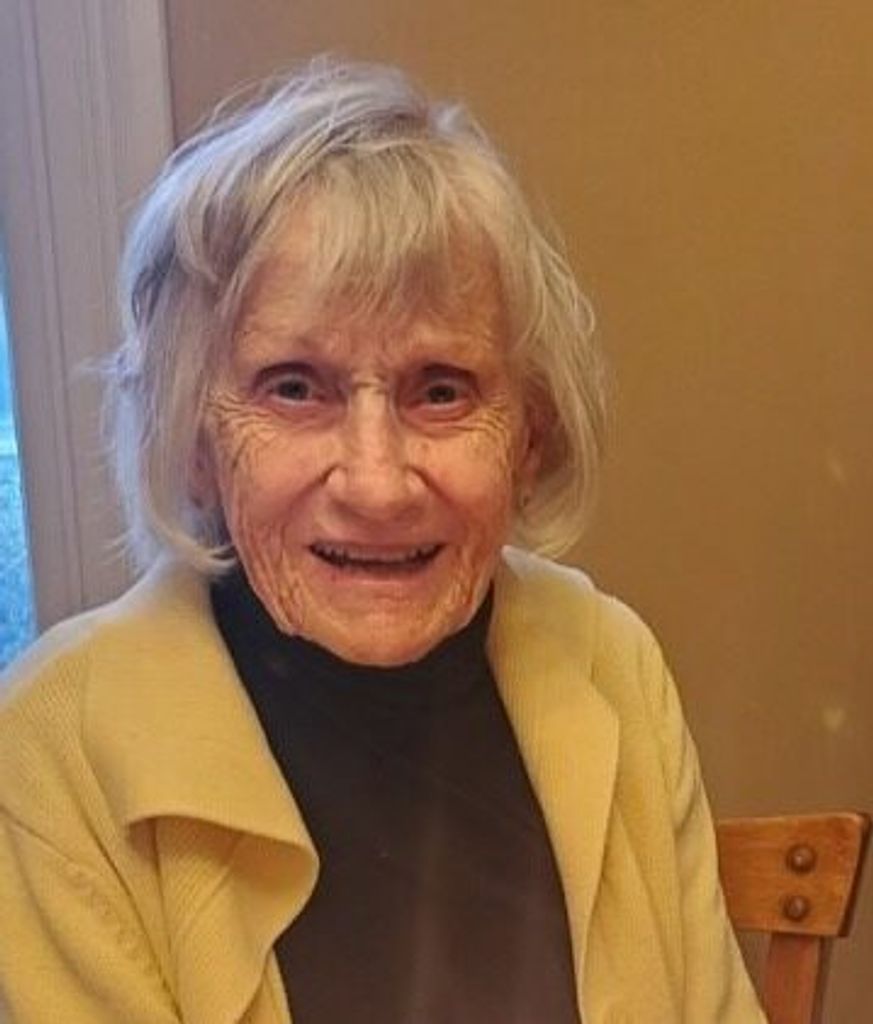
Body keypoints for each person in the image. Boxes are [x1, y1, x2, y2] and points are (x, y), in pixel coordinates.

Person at [0, 59, 765, 1023]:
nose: (376, 484)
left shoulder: (610, 661)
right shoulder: (55, 747)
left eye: (440, 390)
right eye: (294, 387)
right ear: (194, 442)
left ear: (529, 438)